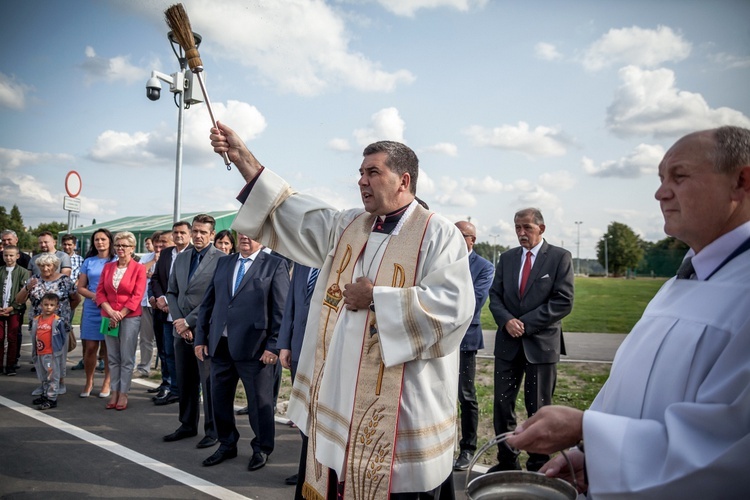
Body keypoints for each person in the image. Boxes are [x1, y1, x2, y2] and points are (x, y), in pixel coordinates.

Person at [210, 123, 474, 498]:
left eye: (373, 173)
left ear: (404, 180)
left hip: (399, 406)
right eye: (360, 173)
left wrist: (378, 299)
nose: (362, 181)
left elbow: (452, 308)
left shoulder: (437, 233)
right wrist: (243, 160)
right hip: (338, 397)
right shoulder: (351, 224)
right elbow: (292, 213)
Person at [506, 126, 750, 498]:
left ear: (741, 182)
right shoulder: (680, 282)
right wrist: (592, 454)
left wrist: (588, 428)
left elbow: (727, 449)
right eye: (660, 178)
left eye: (679, 176)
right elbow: (633, 386)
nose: (660, 192)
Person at [487, 207, 574, 472]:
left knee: (538, 409)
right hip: (508, 346)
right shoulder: (508, 258)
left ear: (541, 229)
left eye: (527, 228)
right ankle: (506, 461)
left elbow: (563, 301)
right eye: (517, 228)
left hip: (540, 346)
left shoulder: (559, 257)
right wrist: (506, 321)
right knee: (503, 406)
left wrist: (525, 325)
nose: (521, 233)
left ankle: (537, 464)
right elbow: (495, 296)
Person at [195, 234, 290, 470]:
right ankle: (227, 444)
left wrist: (273, 346)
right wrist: (201, 338)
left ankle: (262, 448)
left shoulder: (275, 264)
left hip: (255, 349)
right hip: (220, 345)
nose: (246, 237)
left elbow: (281, 310)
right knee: (219, 400)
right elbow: (208, 303)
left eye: (253, 233)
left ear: (265, 238)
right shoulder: (225, 262)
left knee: (259, 403)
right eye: (242, 232)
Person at [162, 214, 221, 449]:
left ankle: (213, 430)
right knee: (185, 381)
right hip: (180, 329)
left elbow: (216, 297)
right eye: (195, 230)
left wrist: (189, 321)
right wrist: (178, 320)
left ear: (212, 235)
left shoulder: (222, 259)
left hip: (204, 330)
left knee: (208, 383)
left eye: (202, 232)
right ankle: (187, 424)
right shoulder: (182, 257)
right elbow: (172, 291)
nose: (197, 235)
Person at [452, 221, 494, 471]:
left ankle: (467, 448)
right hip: (438, 338)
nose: (455, 239)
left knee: (465, 395)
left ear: (472, 240)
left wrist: (441, 300)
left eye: (461, 235)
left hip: (465, 339)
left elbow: (475, 301)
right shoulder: (442, 260)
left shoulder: (484, 267)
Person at [278, 262, 319, 490]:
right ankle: (306, 470)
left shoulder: (341, 256)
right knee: (303, 414)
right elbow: (291, 305)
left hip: (325, 352)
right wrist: (285, 343)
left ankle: (319, 474)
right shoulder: (303, 263)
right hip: (298, 348)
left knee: (323, 418)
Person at [15, 253, 80, 396]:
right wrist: (27, 288)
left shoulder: (65, 281)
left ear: (55, 266)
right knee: (39, 354)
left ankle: (59, 383)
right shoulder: (34, 280)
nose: (45, 268)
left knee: (57, 356)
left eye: (49, 265)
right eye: (42, 265)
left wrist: (65, 314)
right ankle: (44, 383)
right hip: (39, 324)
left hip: (58, 325)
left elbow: (75, 299)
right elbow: (19, 300)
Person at [95, 231, 146, 411]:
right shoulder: (108, 267)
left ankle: (124, 392)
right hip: (108, 316)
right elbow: (100, 292)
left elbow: (137, 295)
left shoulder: (139, 269)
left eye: (124, 246)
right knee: (113, 357)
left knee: (126, 357)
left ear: (132, 248)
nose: (120, 249)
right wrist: (109, 311)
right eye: (118, 246)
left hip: (130, 317)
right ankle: (114, 391)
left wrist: (120, 314)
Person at [151, 222, 190, 405]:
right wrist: (160, 297)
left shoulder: (194, 254)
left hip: (185, 315)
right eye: (176, 232)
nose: (179, 235)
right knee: (168, 352)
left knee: (188, 356)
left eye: (183, 232)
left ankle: (189, 391)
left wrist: (172, 302)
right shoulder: (167, 253)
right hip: (165, 314)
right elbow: (157, 278)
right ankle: (173, 389)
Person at [76, 229, 116, 398]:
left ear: (109, 241)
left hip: (110, 309)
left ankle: (107, 382)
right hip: (92, 307)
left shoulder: (116, 260)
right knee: (91, 347)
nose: (100, 242)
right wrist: (96, 297)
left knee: (108, 348)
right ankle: (89, 381)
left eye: (103, 239)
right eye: (97, 239)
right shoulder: (89, 261)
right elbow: (80, 287)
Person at [30, 293, 66, 410]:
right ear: (41, 305)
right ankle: (45, 394)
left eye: (52, 305)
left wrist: (57, 350)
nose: (48, 307)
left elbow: (62, 337)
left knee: (52, 376)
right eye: (46, 304)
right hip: (40, 352)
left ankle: (52, 398)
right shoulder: (37, 320)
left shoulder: (57, 321)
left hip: (51, 353)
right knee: (43, 376)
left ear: (57, 306)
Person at [133, 230, 161, 379]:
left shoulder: (171, 257)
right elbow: (137, 273)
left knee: (164, 340)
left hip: (161, 304)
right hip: (145, 302)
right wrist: (154, 261)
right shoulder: (146, 258)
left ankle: (166, 370)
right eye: (155, 246)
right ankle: (144, 367)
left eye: (160, 246)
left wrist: (152, 275)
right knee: (146, 338)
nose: (158, 249)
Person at [1, 245, 30, 375]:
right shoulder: (0, 270)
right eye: (6, 255)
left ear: (17, 256)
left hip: (14, 310)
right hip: (0, 310)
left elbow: (24, 293)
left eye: (11, 255)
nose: (8, 257)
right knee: (0, 338)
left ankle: (11, 365)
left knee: (12, 337)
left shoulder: (23, 272)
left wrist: (13, 307)